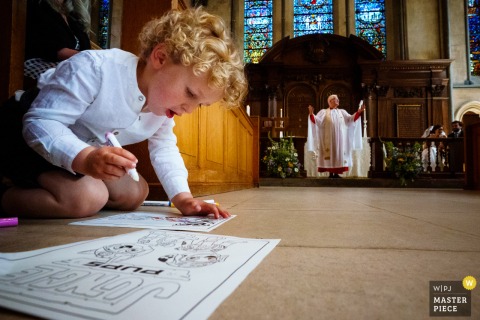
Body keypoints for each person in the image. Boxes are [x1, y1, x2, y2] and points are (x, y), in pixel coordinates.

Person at [0, 7, 247, 219]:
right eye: (190, 94)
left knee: (136, 192)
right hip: (26, 137)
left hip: (82, 148)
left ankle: (72, 186)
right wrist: (85, 159)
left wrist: (183, 198)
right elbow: (40, 122)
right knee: (87, 198)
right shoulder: (95, 68)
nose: (189, 110)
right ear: (160, 57)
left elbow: (164, 148)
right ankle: (5, 194)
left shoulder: (162, 106)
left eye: (200, 105)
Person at [24, 0, 92, 81]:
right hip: (39, 63)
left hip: (72, 65)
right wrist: (92, 57)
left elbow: (85, 48)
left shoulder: (73, 14)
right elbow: (52, 49)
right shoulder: (37, 5)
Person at [306, 94, 365, 178]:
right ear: (330, 101)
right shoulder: (323, 112)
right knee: (330, 153)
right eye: (336, 99)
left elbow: (350, 119)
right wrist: (311, 114)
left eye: (338, 99)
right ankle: (331, 173)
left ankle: (336, 173)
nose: (338, 100)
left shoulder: (342, 112)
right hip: (328, 139)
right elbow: (317, 121)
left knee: (338, 154)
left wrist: (358, 112)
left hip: (340, 140)